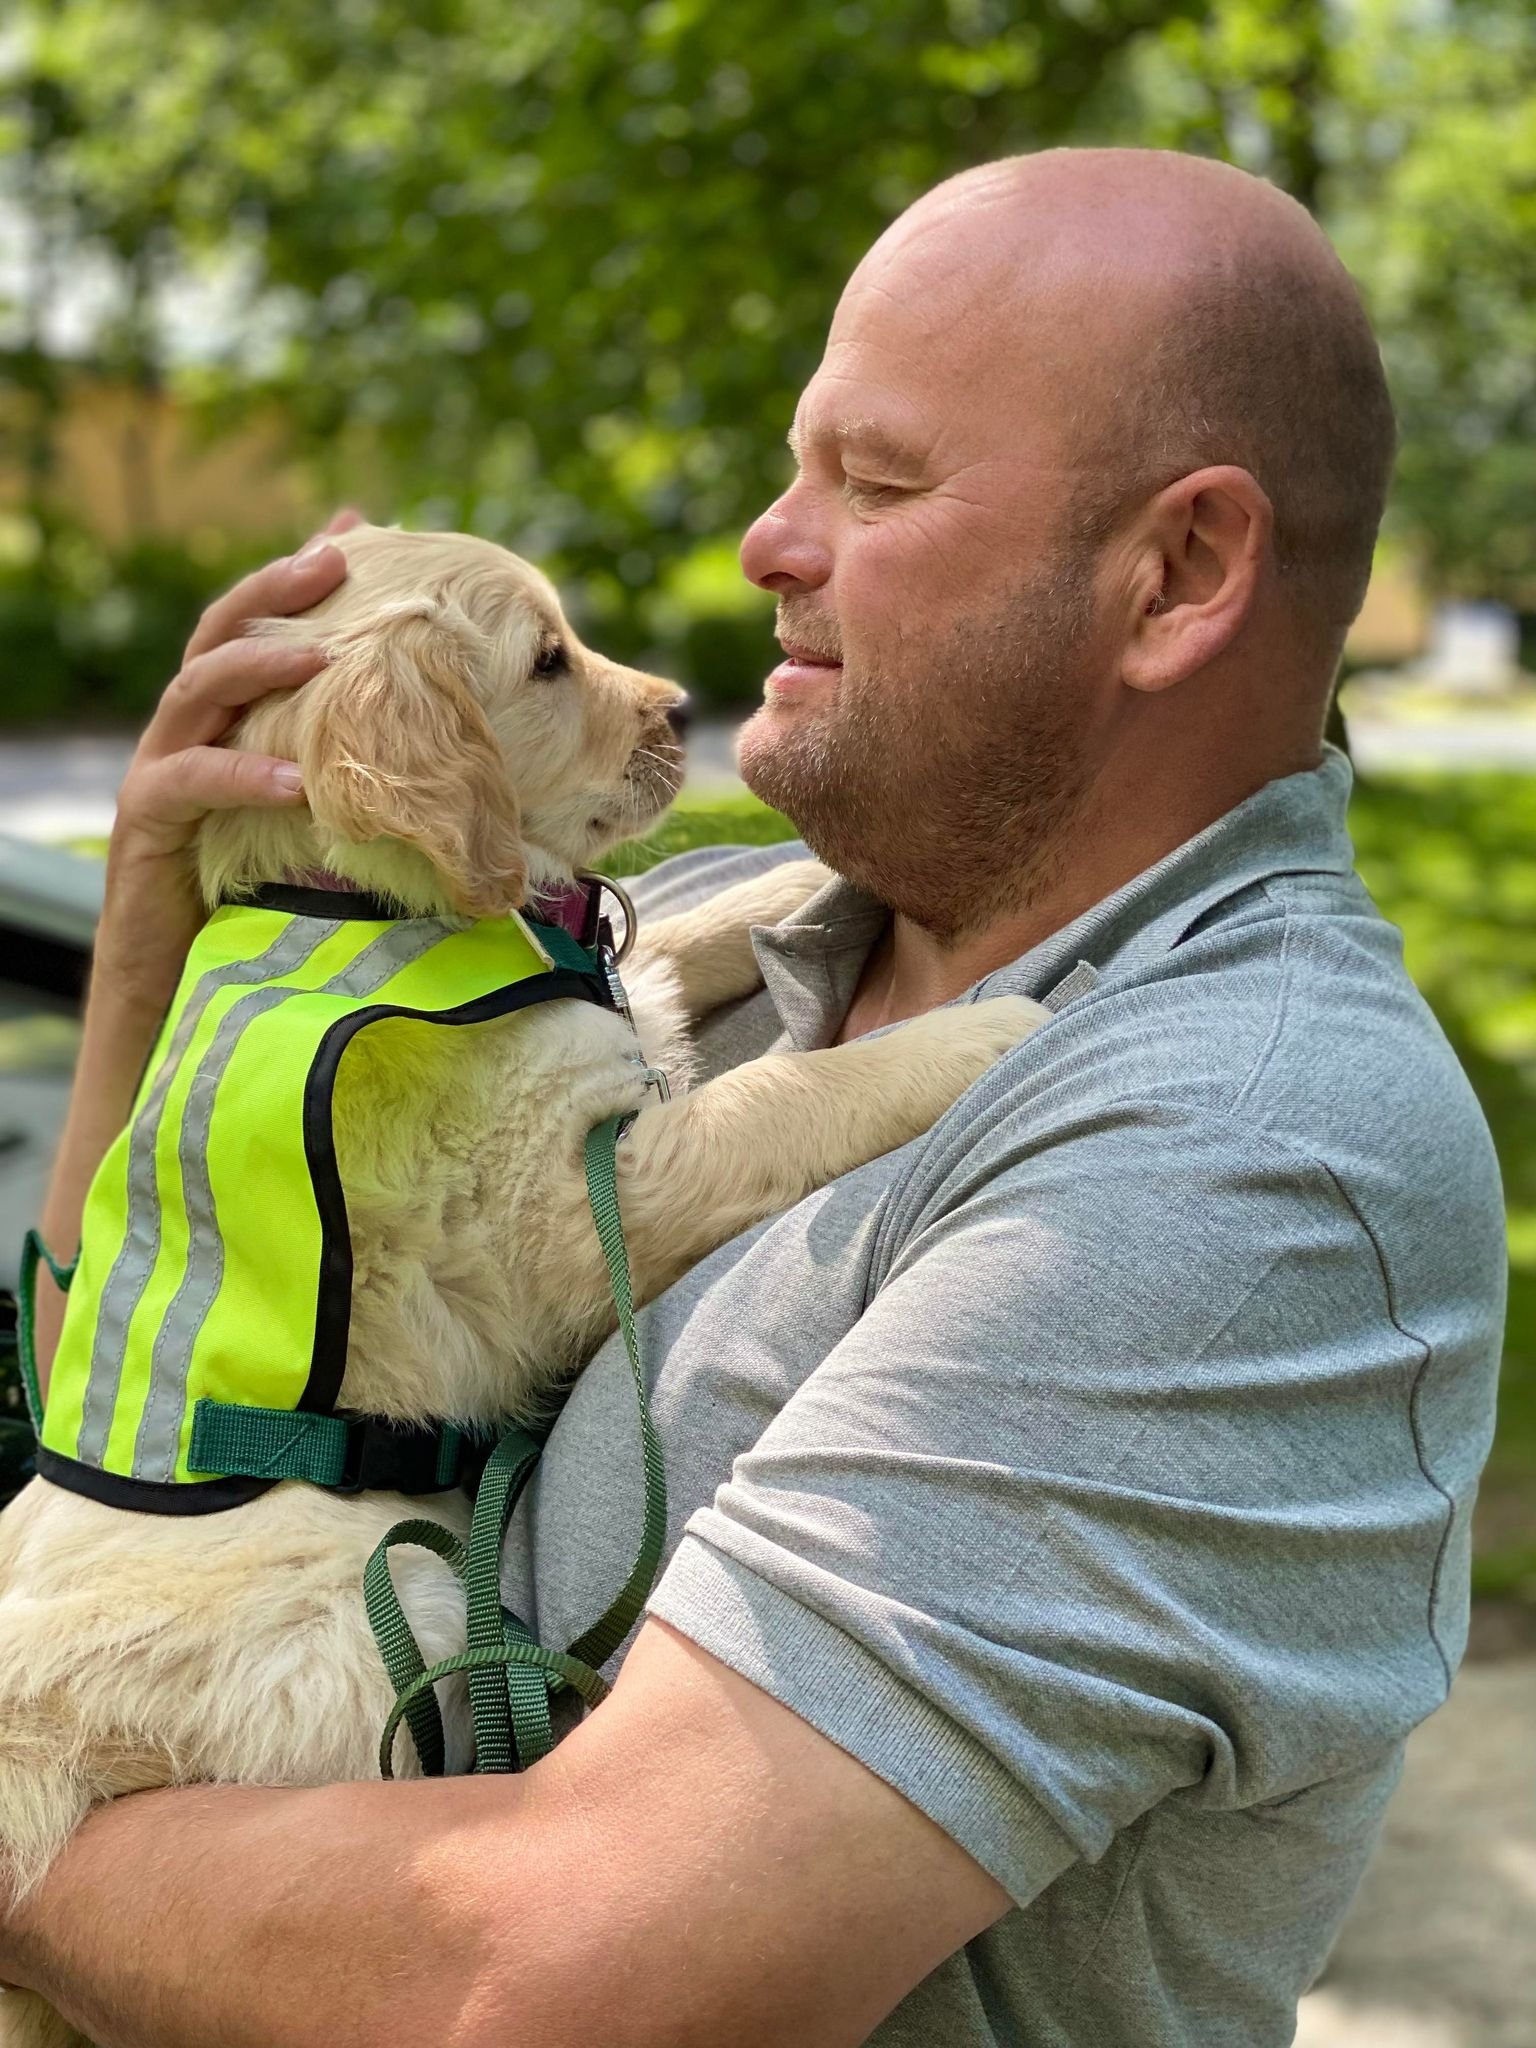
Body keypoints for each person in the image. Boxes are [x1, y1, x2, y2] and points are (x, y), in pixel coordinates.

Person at [3, 146, 1506, 2048]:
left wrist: (24, 1826)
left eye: (873, 482)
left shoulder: (1252, 1161)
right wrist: (163, 928)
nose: (764, 544)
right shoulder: (681, 929)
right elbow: (125, 1394)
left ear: (1180, 573)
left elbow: (563, 1983)